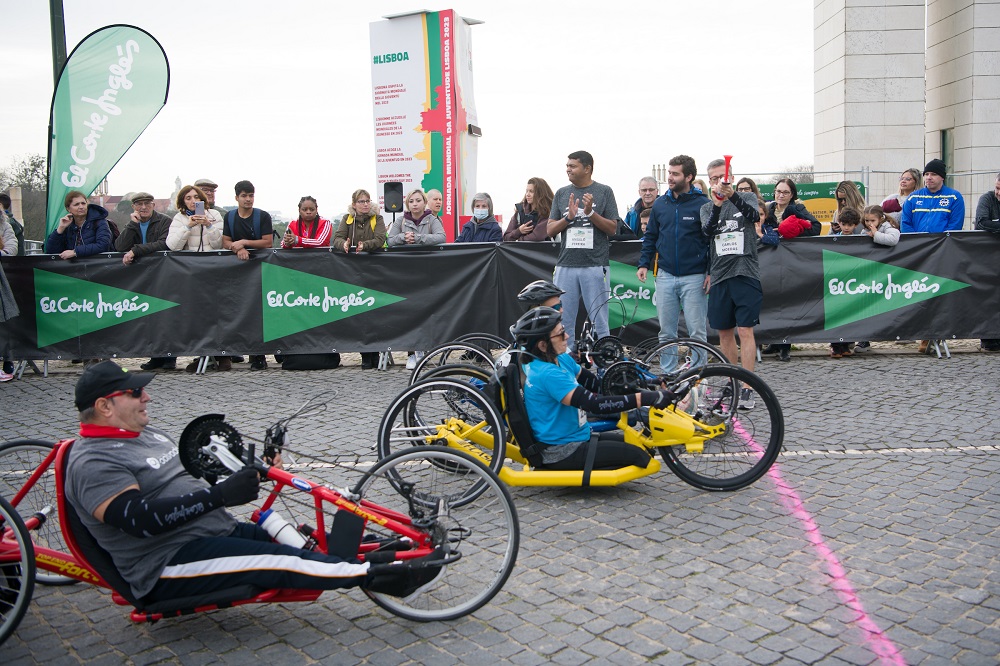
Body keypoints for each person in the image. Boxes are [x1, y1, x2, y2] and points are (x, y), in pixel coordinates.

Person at [63, 361, 444, 606]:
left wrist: (253, 470)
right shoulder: (93, 461)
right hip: (165, 562)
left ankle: (393, 550)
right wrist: (219, 496)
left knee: (303, 543)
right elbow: (138, 520)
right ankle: (384, 578)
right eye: (134, 392)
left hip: (213, 531)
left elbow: (191, 476)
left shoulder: (142, 434)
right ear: (105, 406)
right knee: (280, 562)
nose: (146, 396)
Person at [512, 307, 665, 471]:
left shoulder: (559, 358)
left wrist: (645, 383)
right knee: (640, 456)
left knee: (642, 446)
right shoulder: (547, 374)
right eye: (561, 334)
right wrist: (645, 399)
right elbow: (594, 404)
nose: (567, 336)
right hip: (562, 450)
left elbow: (595, 384)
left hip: (578, 436)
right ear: (543, 345)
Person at [636, 155, 710, 373]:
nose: (669, 177)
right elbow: (651, 237)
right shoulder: (660, 204)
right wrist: (643, 263)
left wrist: (710, 271)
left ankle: (698, 376)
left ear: (689, 177)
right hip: (665, 275)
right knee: (666, 333)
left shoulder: (703, 204)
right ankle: (667, 376)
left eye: (675, 174)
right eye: (669, 172)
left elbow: (710, 241)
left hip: (695, 276)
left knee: (697, 332)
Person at [701, 160, 762, 410]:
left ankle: (747, 386)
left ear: (731, 178)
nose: (718, 182)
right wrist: (717, 204)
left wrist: (732, 196)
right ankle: (732, 381)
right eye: (714, 178)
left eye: (722, 177)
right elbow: (707, 232)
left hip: (745, 272)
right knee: (724, 332)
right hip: (720, 276)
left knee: (745, 330)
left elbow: (754, 217)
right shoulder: (706, 207)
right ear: (709, 181)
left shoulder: (746, 197)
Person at [546, 150, 619, 351]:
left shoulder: (604, 191)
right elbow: (550, 229)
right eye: (567, 165)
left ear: (587, 168)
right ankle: (566, 361)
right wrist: (568, 218)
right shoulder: (561, 193)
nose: (568, 169)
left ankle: (604, 361)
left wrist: (591, 213)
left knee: (600, 319)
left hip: (594, 265)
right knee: (563, 319)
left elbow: (612, 228)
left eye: (573, 166)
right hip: (566, 265)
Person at [165, 186, 228, 372]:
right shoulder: (179, 219)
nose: (193, 201)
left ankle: (223, 355)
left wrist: (208, 225)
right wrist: (188, 226)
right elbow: (172, 245)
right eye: (188, 198)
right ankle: (202, 354)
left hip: (214, 271)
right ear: (183, 202)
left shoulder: (214, 215)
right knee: (196, 316)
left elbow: (219, 243)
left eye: (196, 197)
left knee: (217, 314)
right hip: (191, 273)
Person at [760, 178, 821, 362]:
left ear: (792, 194)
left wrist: (792, 232)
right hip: (770, 260)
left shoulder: (797, 209)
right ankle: (773, 341)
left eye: (785, 192)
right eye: (778, 191)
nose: (781, 195)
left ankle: (785, 345)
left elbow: (816, 228)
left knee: (787, 303)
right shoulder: (769, 208)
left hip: (790, 261)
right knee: (771, 301)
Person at [117, 192, 175, 371]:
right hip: (141, 277)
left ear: (153, 205)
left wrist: (136, 250)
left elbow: (164, 243)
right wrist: (132, 225)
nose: (143, 207)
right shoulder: (132, 223)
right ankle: (155, 356)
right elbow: (119, 246)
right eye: (139, 204)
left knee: (166, 316)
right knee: (149, 317)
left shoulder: (164, 221)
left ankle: (170, 357)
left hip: (163, 274)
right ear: (134, 207)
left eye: (147, 204)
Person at [387, 189, 444, 370]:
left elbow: (441, 237)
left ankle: (425, 349)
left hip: (427, 272)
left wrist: (419, 238)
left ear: (424, 202)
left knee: (426, 311)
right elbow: (390, 240)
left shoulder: (431, 219)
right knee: (409, 313)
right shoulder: (401, 220)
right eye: (411, 201)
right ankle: (411, 353)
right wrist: (403, 237)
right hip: (406, 273)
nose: (415, 204)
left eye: (418, 200)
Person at [224, 181, 274, 371]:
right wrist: (237, 248)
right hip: (236, 272)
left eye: (251, 195)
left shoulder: (262, 216)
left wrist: (244, 242)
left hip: (260, 270)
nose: (248, 199)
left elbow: (268, 242)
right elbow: (226, 241)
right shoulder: (229, 217)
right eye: (244, 196)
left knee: (258, 313)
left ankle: (258, 355)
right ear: (236, 197)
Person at [900, 159, 965, 233]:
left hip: (943, 240)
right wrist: (915, 238)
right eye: (926, 174)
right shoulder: (912, 198)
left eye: (934, 174)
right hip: (917, 240)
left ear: (942, 177)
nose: (929, 177)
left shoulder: (954, 197)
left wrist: (942, 239)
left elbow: (955, 225)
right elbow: (905, 224)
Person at [45, 191, 113, 259]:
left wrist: (75, 252)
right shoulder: (67, 226)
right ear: (68, 209)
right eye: (76, 204)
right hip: (73, 265)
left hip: (97, 264)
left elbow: (103, 245)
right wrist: (60, 229)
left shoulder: (99, 221)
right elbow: (51, 251)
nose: (81, 207)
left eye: (83, 203)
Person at [974, 174, 1000, 351]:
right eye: (997, 188)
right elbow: (982, 223)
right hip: (987, 257)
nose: (998, 193)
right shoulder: (987, 199)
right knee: (989, 297)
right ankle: (989, 338)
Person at [503, 178, 553, 242]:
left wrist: (519, 240)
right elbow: (506, 237)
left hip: (543, 248)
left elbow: (537, 237)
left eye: (531, 191)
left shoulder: (547, 213)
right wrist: (519, 231)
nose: (527, 194)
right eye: (527, 191)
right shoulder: (520, 212)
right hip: (519, 248)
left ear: (541, 193)